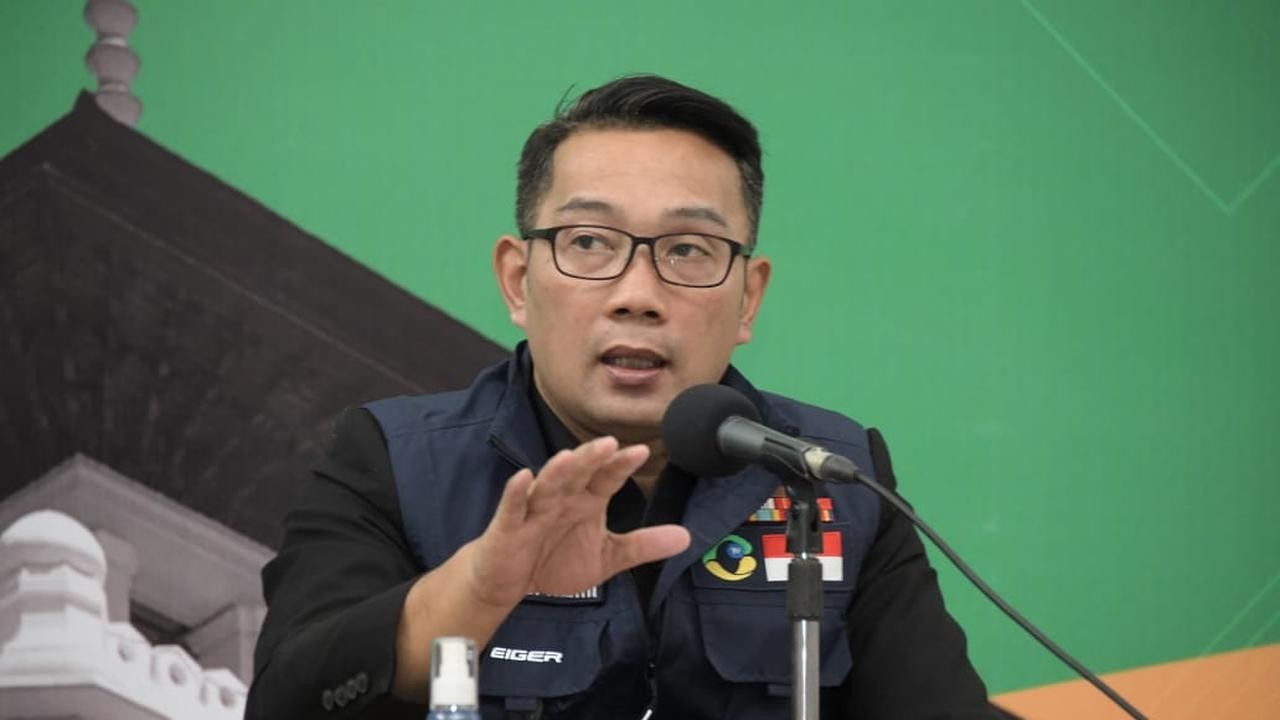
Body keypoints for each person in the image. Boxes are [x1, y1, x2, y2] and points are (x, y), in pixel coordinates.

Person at [246, 74, 997, 719]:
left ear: (748, 299)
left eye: (689, 250)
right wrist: (473, 592)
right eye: (589, 242)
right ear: (518, 281)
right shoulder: (397, 463)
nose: (637, 294)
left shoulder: (830, 477)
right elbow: (288, 700)